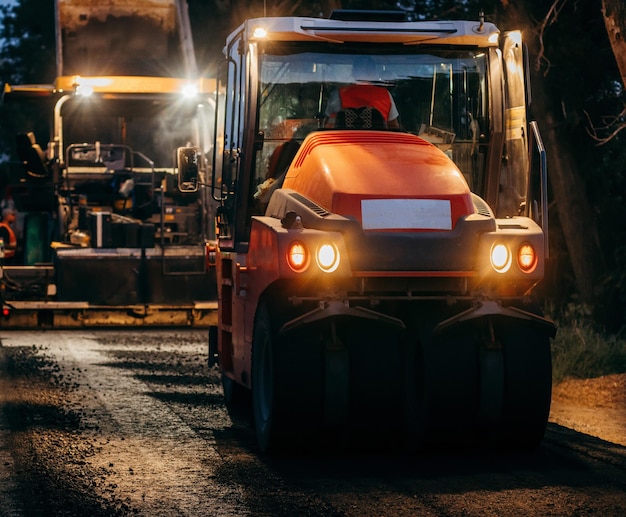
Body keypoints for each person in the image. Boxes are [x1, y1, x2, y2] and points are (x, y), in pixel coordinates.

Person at [325, 57, 400, 129]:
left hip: (344, 141)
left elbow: (329, 126)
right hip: (378, 141)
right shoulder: (385, 95)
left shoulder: (338, 94)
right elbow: (394, 127)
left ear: (353, 72)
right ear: (373, 73)